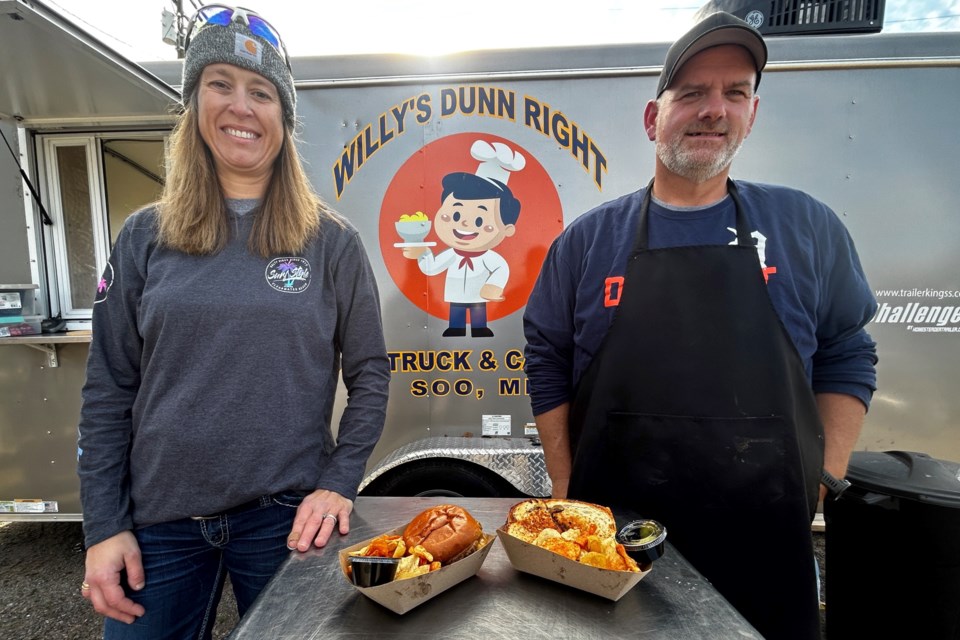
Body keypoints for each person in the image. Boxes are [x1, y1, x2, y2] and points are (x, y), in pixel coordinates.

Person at [523, 11, 877, 640]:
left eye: (734, 93)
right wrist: (564, 485)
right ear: (653, 117)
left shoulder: (805, 227)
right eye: (691, 93)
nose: (715, 109)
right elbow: (547, 356)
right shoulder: (587, 241)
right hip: (615, 538)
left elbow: (848, 350)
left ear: (752, 113)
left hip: (764, 538)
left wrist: (825, 476)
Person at [76, 6, 390, 638]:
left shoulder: (331, 242)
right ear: (194, 103)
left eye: (262, 92)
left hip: (286, 518)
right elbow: (109, 388)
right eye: (220, 83)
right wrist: (104, 527)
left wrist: (338, 485)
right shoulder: (144, 236)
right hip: (158, 521)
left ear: (284, 116)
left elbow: (371, 374)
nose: (241, 107)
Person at [403, 140, 524, 338]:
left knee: (478, 310)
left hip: (479, 296)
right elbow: (430, 268)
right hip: (455, 292)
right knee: (457, 309)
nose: (465, 225)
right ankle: (456, 328)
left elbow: (502, 269)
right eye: (456, 216)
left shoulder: (489, 258)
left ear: (507, 229)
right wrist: (422, 253)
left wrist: (494, 286)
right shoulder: (452, 254)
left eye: (479, 219)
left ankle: (479, 328)